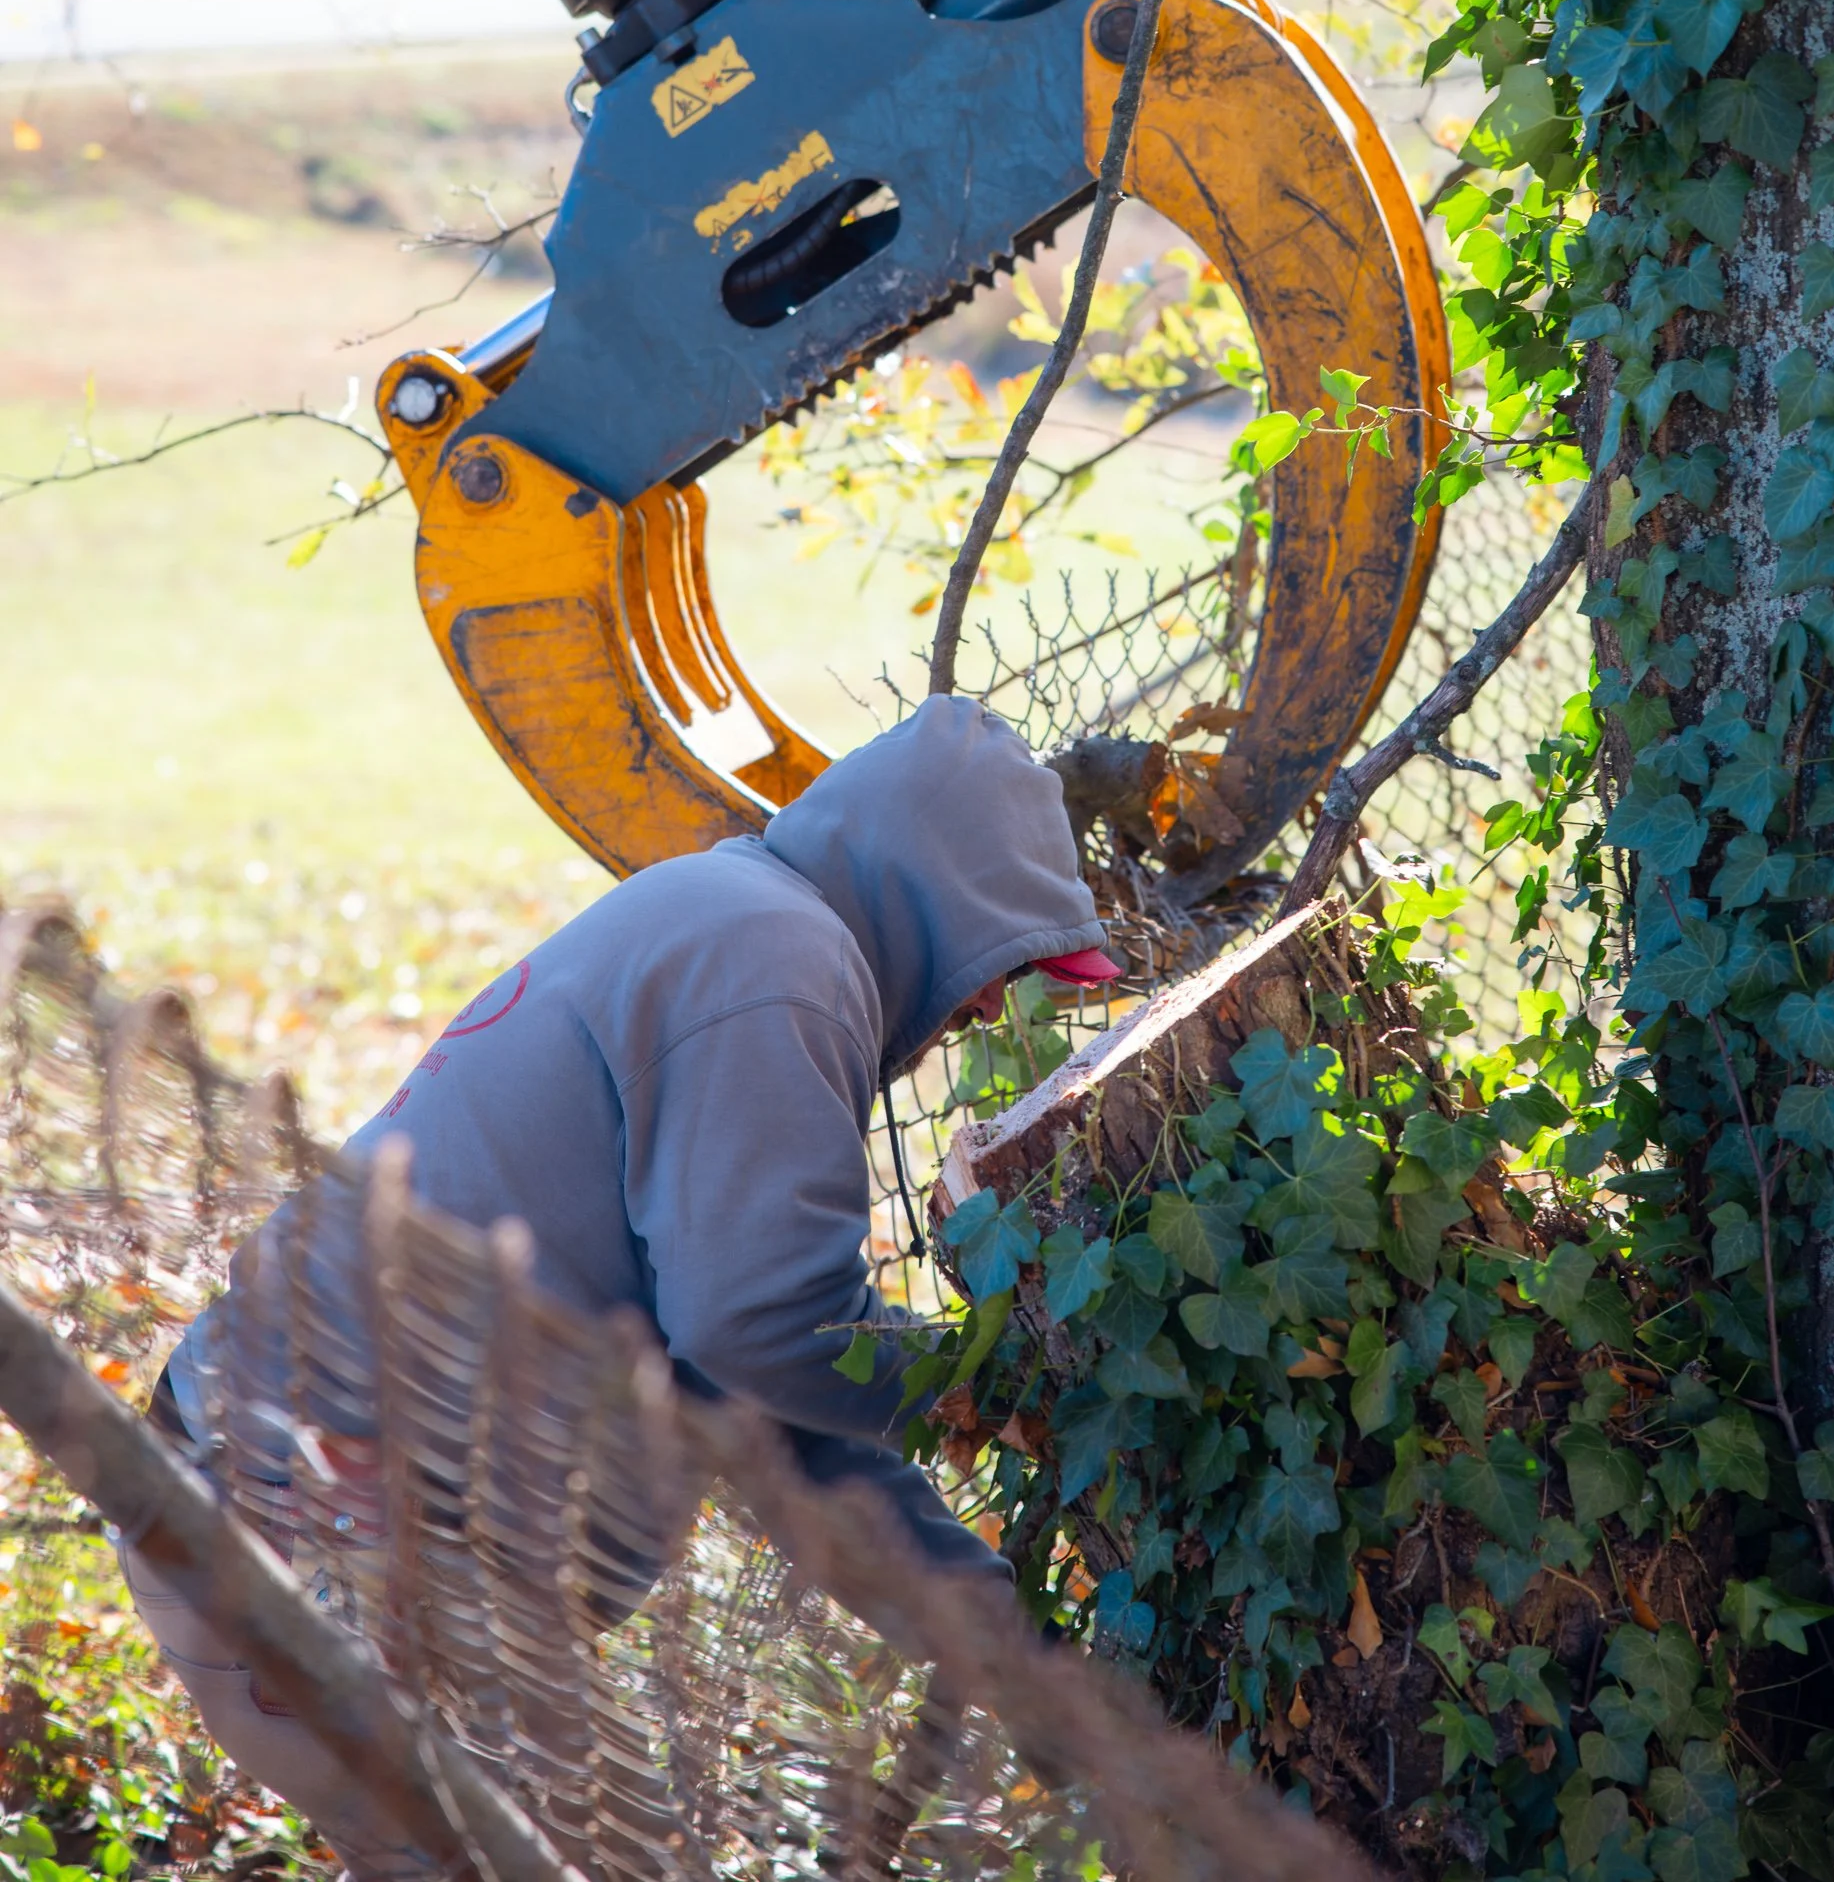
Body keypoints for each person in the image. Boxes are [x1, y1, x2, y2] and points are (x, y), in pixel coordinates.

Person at [122, 696, 1116, 1878]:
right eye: (1005, 958)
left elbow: (771, 1396)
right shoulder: (776, 967)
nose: (997, 1002)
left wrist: (997, 1640)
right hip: (317, 1513)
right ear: (935, 891)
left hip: (285, 1494)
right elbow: (759, 1332)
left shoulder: (740, 927)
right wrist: (973, 1381)